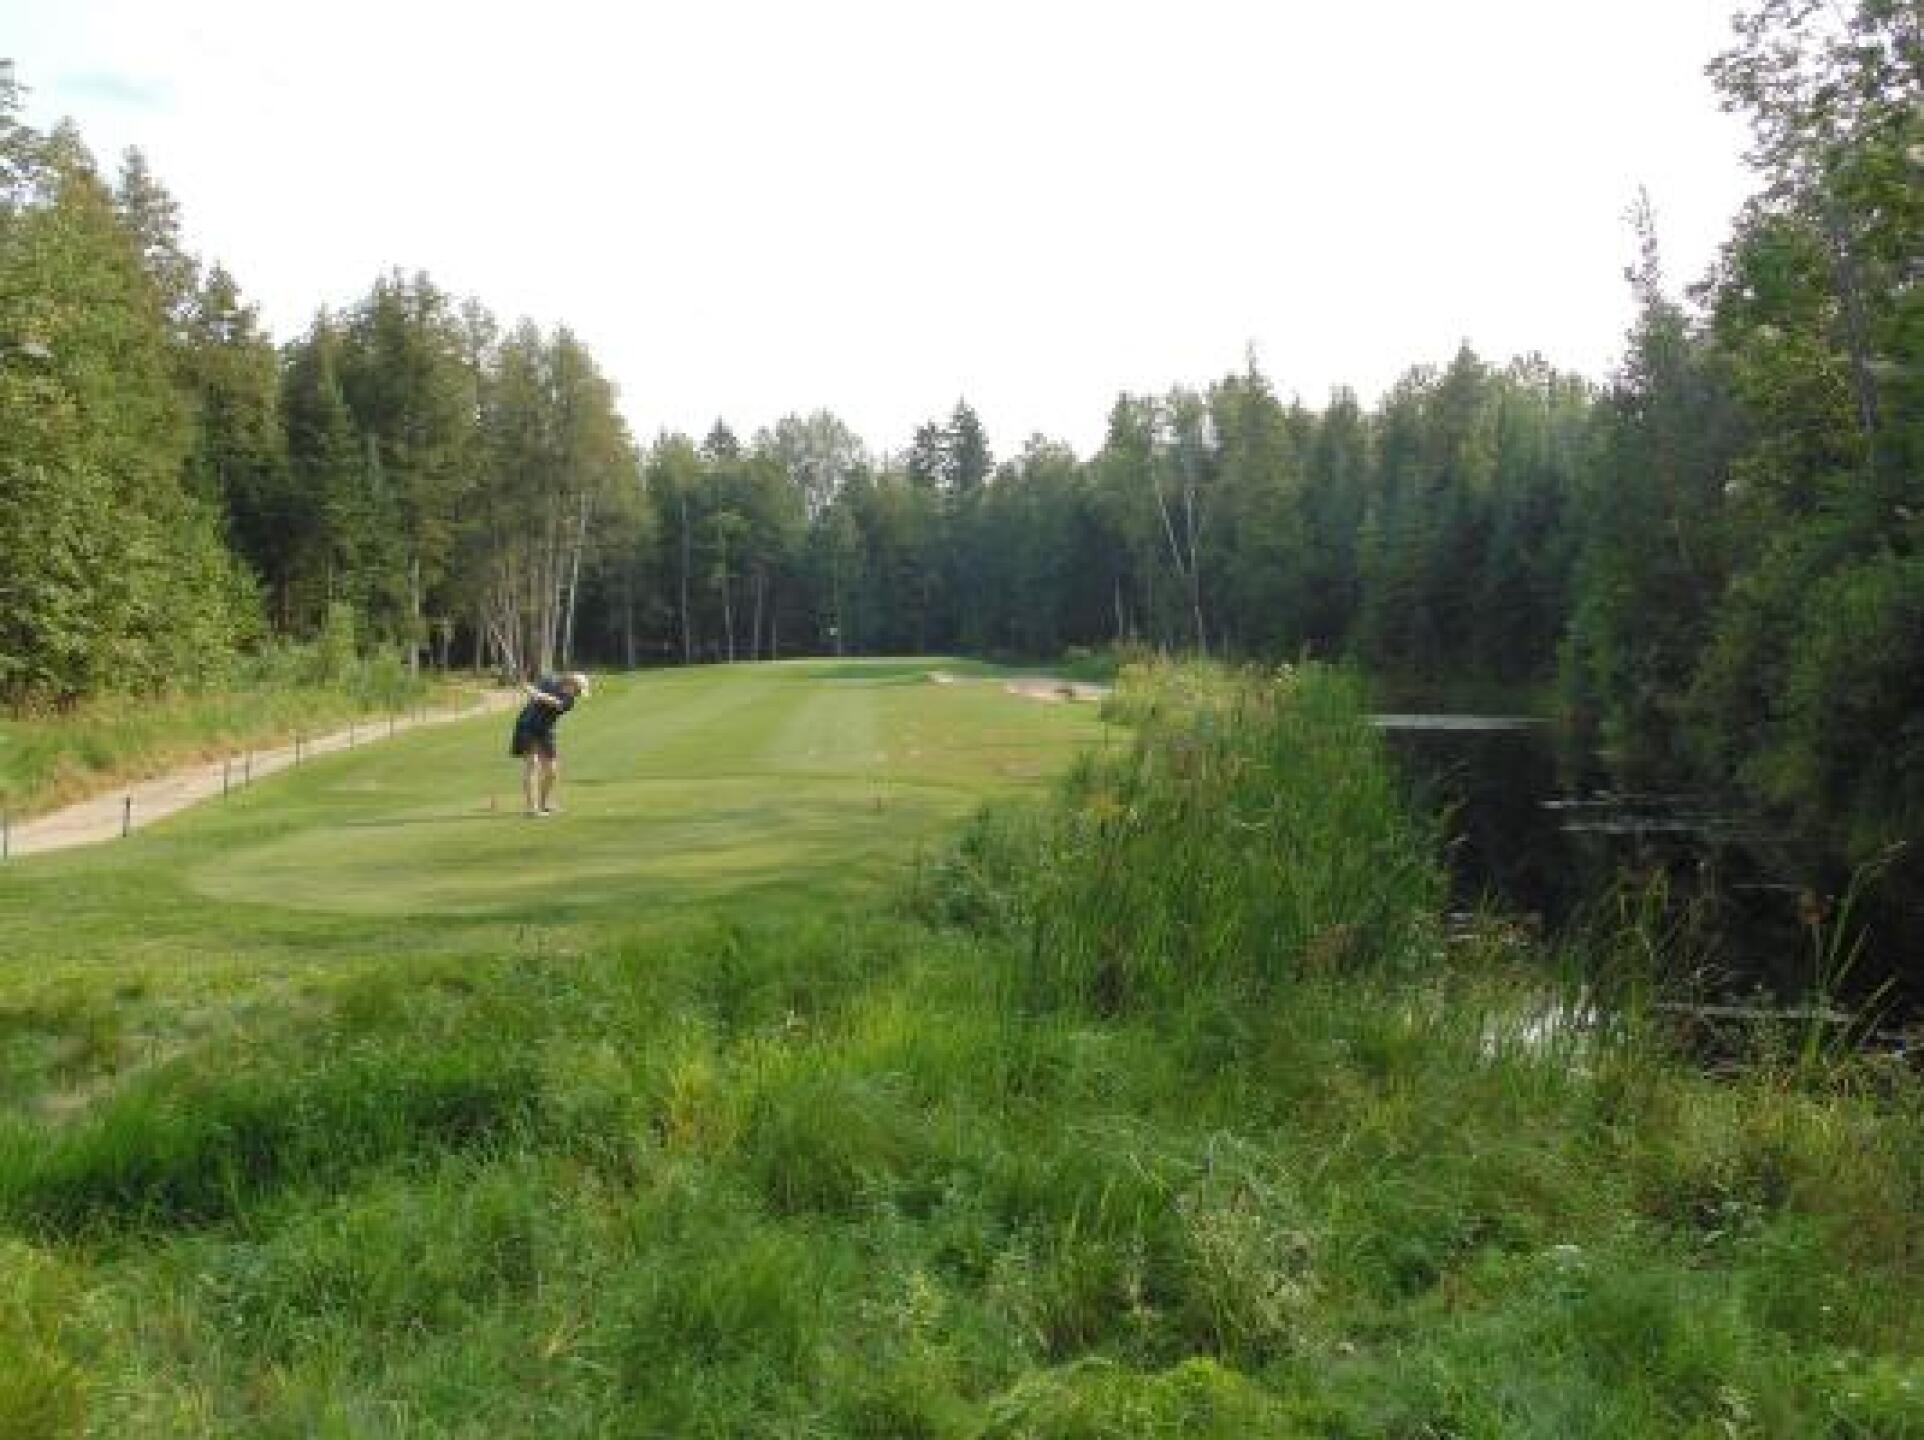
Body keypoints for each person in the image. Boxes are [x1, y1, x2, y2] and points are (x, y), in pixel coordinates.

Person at [509, 671, 590, 816]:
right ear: (571, 683)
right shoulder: (549, 681)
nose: (577, 694)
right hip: (527, 726)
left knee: (552, 771)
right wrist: (527, 687)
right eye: (578, 690)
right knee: (532, 763)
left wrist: (535, 693)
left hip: (545, 730)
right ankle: (532, 808)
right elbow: (535, 693)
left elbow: (553, 702)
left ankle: (544, 804)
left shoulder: (568, 702)